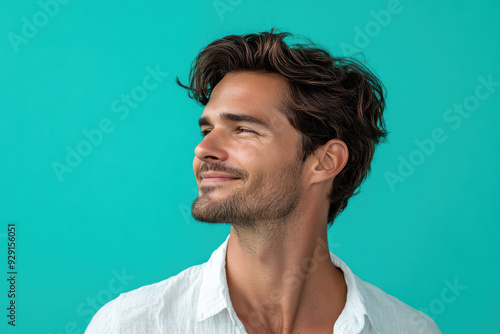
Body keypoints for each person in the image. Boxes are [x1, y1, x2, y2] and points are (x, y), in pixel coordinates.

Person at [85, 28, 441, 334]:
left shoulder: (409, 328)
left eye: (242, 129)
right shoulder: (131, 324)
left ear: (325, 161)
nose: (204, 148)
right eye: (208, 129)